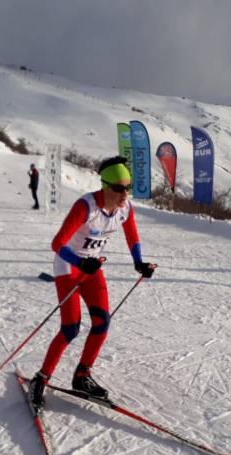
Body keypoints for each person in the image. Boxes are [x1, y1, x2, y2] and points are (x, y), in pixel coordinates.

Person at [27, 156, 156, 411]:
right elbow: (57, 244)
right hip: (68, 268)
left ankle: (81, 376)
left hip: (91, 268)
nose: (124, 194)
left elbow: (132, 237)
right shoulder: (86, 207)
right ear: (105, 186)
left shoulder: (124, 208)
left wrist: (139, 262)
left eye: (127, 188)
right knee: (71, 329)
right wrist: (78, 261)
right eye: (119, 188)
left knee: (102, 321)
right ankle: (40, 379)